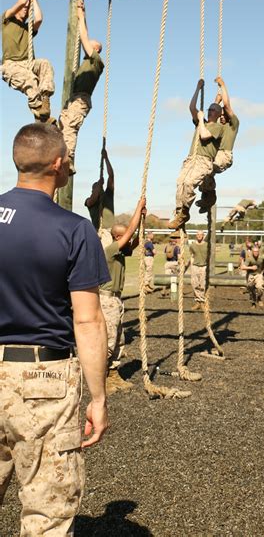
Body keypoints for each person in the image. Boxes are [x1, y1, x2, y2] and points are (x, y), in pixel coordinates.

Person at [0, 123, 109, 534]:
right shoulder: (74, 229)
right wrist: (97, 398)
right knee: (46, 514)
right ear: (58, 164)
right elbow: (88, 319)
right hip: (41, 381)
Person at [100, 197, 146, 394]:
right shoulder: (109, 250)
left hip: (116, 299)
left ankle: (113, 374)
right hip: (106, 299)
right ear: (118, 238)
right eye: (124, 238)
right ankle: (101, 379)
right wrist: (138, 207)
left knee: (119, 338)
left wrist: (143, 221)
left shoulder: (120, 251)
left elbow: (135, 241)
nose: (127, 241)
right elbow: (129, 234)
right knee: (108, 341)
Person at [168, 79, 224, 229]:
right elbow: (192, 107)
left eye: (212, 110)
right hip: (191, 158)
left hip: (203, 161)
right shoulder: (203, 123)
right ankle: (180, 214)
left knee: (189, 183)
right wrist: (198, 89)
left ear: (218, 113)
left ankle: (185, 211)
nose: (209, 111)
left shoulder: (218, 127)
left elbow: (204, 135)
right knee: (180, 182)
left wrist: (200, 119)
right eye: (209, 110)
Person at [1, 0, 55, 122]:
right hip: (11, 65)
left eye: (27, 9)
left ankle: (44, 102)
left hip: (27, 63)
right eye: (24, 8)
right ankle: (40, 113)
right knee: (30, 80)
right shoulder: (6, 20)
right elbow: (20, 2)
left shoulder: (27, 29)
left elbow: (39, 19)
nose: (25, 10)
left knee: (45, 63)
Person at [59, 2, 104, 172]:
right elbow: (85, 35)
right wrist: (82, 15)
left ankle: (68, 160)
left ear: (95, 49)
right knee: (63, 127)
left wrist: (80, 15)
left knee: (70, 126)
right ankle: (62, 156)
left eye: (90, 44)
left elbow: (83, 36)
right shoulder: (87, 61)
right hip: (74, 99)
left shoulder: (96, 61)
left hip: (81, 99)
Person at [198, 76, 240, 212]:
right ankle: (207, 198)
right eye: (220, 115)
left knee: (207, 169)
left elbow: (227, 106)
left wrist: (223, 85)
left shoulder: (233, 124)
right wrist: (216, 101)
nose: (221, 117)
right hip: (215, 155)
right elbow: (213, 113)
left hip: (224, 155)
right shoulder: (217, 126)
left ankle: (209, 197)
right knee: (203, 172)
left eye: (223, 115)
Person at [84, 148, 115, 246]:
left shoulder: (108, 195)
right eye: (96, 188)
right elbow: (93, 199)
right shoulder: (89, 201)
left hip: (109, 232)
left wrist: (106, 158)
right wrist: (99, 184)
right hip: (97, 232)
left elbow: (111, 176)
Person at [189, 231, 208, 310]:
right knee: (194, 283)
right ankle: (198, 301)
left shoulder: (207, 245)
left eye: (201, 235)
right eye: (198, 234)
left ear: (203, 236)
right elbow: (191, 255)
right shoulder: (192, 245)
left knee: (203, 284)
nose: (199, 236)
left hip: (204, 266)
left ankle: (202, 302)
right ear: (196, 236)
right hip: (195, 266)